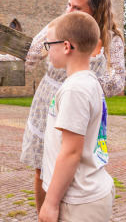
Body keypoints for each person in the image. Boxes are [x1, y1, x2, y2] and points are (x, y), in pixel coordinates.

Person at [0, 0, 125, 212]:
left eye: (77, 8)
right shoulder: (59, 26)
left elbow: (118, 82)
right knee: (44, 167)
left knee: (78, 160)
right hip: (48, 102)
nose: (69, 12)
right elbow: (29, 56)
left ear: (96, 11)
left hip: (80, 104)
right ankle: (45, 213)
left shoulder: (111, 39)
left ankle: (77, 208)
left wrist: (84, 80)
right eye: (68, 4)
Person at [39, 12, 115, 222]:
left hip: (79, 202)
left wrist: (50, 203)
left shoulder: (76, 89)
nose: (48, 52)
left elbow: (72, 151)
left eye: (49, 45)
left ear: (66, 46)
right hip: (85, 194)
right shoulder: (86, 82)